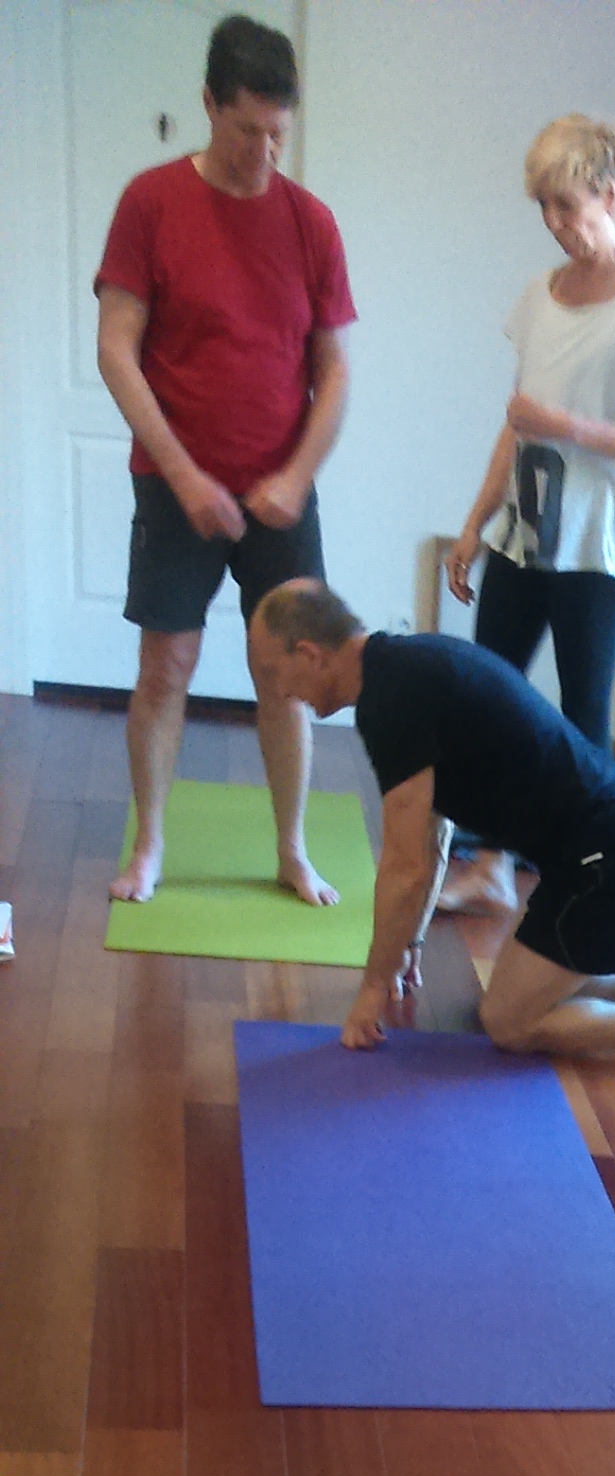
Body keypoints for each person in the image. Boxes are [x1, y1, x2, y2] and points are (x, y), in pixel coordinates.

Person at [247, 580, 615, 1064]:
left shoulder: (392, 701)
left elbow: (405, 867)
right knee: (526, 991)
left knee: (507, 1022)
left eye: (274, 672)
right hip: (611, 850)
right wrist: (410, 943)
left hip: (609, 867)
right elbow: (434, 836)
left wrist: (372, 989)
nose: (279, 690)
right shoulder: (402, 668)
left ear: (310, 654)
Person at [94, 14, 356, 909]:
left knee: (288, 674)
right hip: (174, 486)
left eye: (279, 134)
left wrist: (295, 477)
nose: (263, 154)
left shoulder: (311, 223)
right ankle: (150, 847)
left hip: (282, 491)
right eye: (247, 131)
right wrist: (184, 477)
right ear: (209, 104)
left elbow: (335, 371)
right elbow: (116, 351)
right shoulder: (150, 204)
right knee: (165, 669)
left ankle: (291, 850)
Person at [437, 112, 615, 917]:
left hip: (600, 548)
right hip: (525, 536)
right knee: (491, 698)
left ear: (609, 196)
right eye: (543, 207)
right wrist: (475, 525)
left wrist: (570, 428)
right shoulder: (540, 298)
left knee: (584, 715)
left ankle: (589, 877)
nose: (553, 222)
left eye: (567, 206)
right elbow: (517, 426)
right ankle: (491, 863)